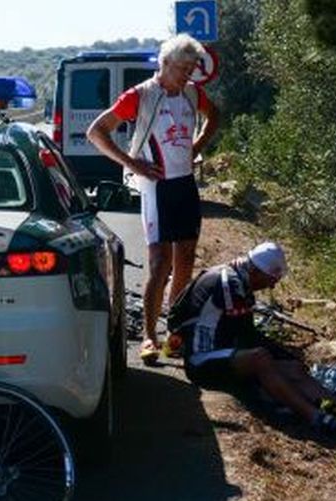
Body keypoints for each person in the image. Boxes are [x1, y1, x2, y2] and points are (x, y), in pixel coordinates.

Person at [86, 34, 219, 365]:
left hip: (185, 182)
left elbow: (214, 116)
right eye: (183, 67)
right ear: (165, 63)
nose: (188, 73)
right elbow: (96, 132)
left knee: (186, 259)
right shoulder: (141, 95)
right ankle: (149, 336)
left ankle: (175, 330)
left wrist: (197, 147)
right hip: (155, 187)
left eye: (192, 67)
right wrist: (132, 163)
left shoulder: (191, 92)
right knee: (160, 263)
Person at [175, 242, 336, 433]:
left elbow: (247, 333)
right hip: (201, 360)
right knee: (261, 358)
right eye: (271, 280)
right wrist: (279, 356)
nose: (273, 285)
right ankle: (315, 416)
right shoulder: (229, 284)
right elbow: (246, 335)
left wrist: (288, 358)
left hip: (223, 353)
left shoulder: (239, 276)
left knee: (294, 369)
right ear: (257, 271)